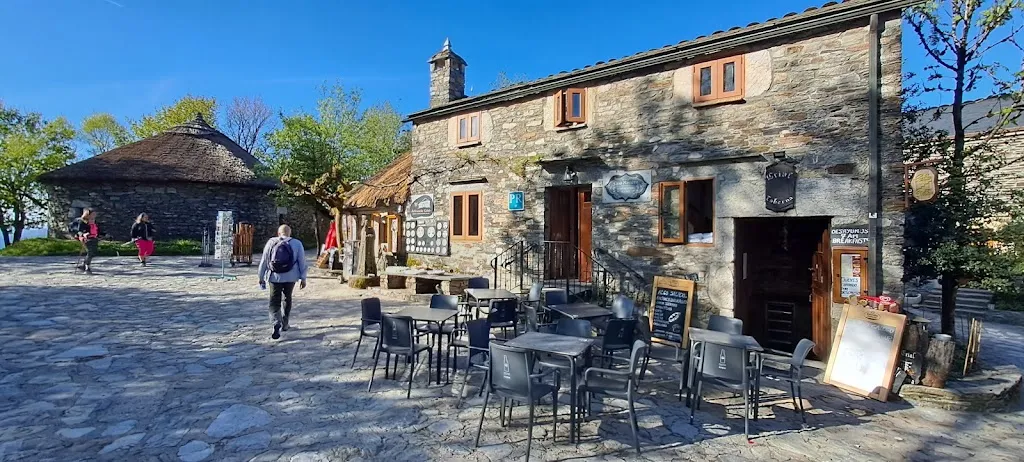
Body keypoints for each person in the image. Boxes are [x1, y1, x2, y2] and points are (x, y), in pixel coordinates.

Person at [257, 225, 308, 340]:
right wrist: (303, 278)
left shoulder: (271, 242)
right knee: (287, 298)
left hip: (274, 277)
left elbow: (264, 260)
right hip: (291, 277)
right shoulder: (297, 243)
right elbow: (302, 262)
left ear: (278, 233)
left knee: (274, 301)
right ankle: (285, 323)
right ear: (290, 233)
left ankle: (276, 322)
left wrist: (260, 276)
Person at [70, 208, 103, 274]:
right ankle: (87, 267)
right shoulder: (82, 222)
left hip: (94, 239)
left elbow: (98, 230)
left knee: (93, 252)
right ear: (88, 214)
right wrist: (83, 234)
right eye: (93, 214)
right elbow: (79, 230)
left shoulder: (94, 221)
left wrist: (102, 234)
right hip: (86, 239)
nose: (95, 215)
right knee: (90, 252)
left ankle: (84, 265)